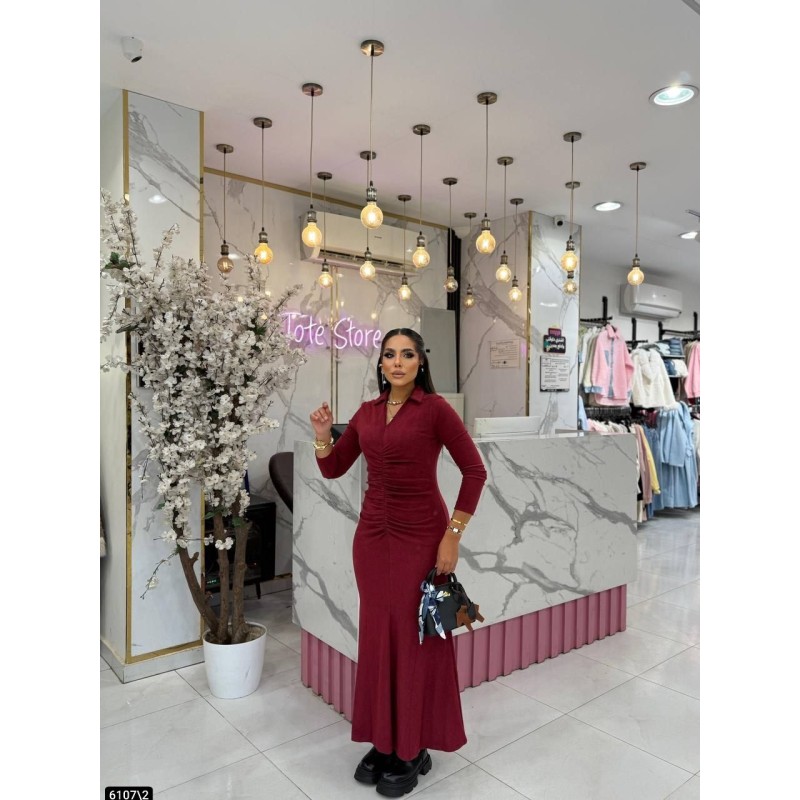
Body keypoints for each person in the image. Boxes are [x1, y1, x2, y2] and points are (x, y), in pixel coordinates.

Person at [309, 328, 487, 798]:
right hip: (372, 539)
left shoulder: (435, 409)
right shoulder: (366, 412)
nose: (398, 362)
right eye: (390, 355)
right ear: (382, 364)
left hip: (423, 537)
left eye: (407, 354)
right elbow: (334, 467)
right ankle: (384, 741)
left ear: (420, 362)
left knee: (414, 641)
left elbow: (475, 471)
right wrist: (323, 438)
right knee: (377, 638)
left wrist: (452, 536)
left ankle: (413, 747)